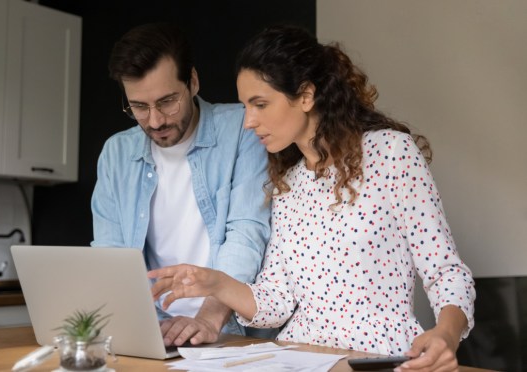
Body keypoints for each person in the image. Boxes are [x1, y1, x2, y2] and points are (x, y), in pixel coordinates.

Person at [148, 25, 476, 371]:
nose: (248, 121)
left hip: (377, 358)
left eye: (260, 104)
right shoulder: (288, 184)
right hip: (299, 359)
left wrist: (445, 334)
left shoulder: (390, 153)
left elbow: (446, 272)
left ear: (305, 96)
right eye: (245, 105)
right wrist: (214, 281)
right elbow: (277, 301)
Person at [90, 23, 271, 347]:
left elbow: (246, 233)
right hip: (154, 329)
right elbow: (110, 255)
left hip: (227, 328)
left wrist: (208, 319)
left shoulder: (243, 129)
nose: (156, 121)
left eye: (167, 101)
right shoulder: (116, 154)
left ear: (193, 82)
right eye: (140, 107)